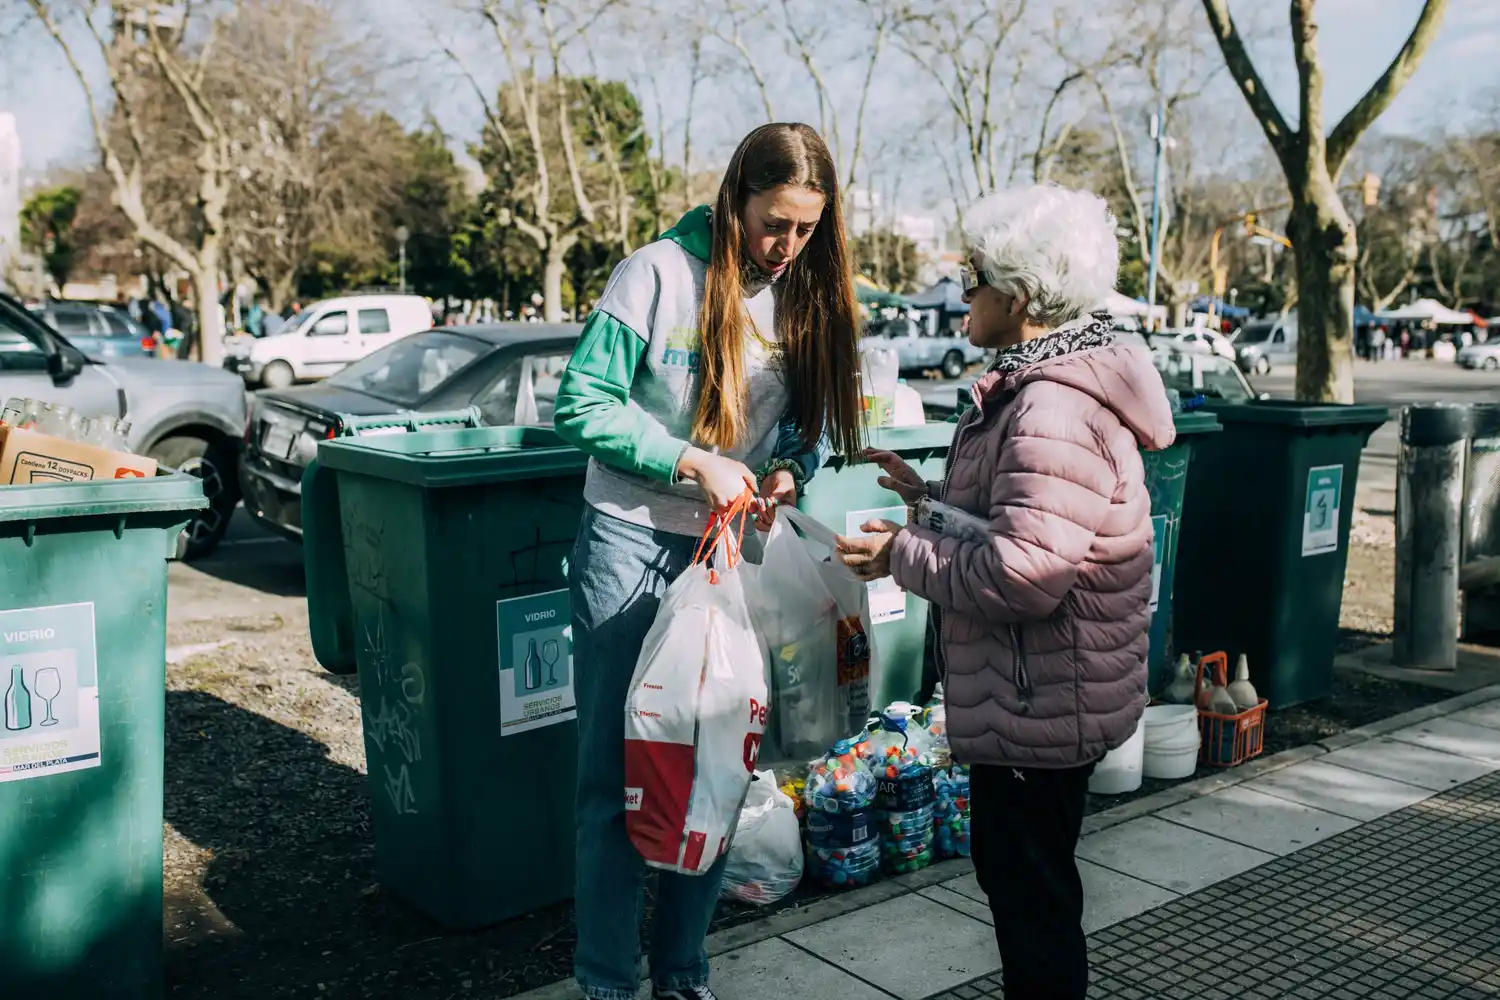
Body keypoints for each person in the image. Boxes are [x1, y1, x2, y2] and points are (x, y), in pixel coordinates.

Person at [834, 184, 1175, 1000]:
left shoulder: (1049, 407)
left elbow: (1025, 574)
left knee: (1033, 908)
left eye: (974, 280)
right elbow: (1017, 523)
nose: (963, 297)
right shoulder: (1039, 387)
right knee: (1028, 891)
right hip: (1040, 696)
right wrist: (926, 502)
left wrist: (900, 555)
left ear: (1019, 297)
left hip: (1037, 704)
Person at [552, 122, 863, 1000]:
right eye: (774, 224)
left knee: (718, 765)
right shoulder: (656, 275)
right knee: (620, 772)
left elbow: (808, 423)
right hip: (629, 543)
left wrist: (791, 466)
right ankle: (607, 978)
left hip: (728, 553)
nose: (787, 246)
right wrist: (689, 460)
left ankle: (683, 970)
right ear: (736, 201)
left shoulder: (803, 293)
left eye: (807, 228)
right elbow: (582, 403)